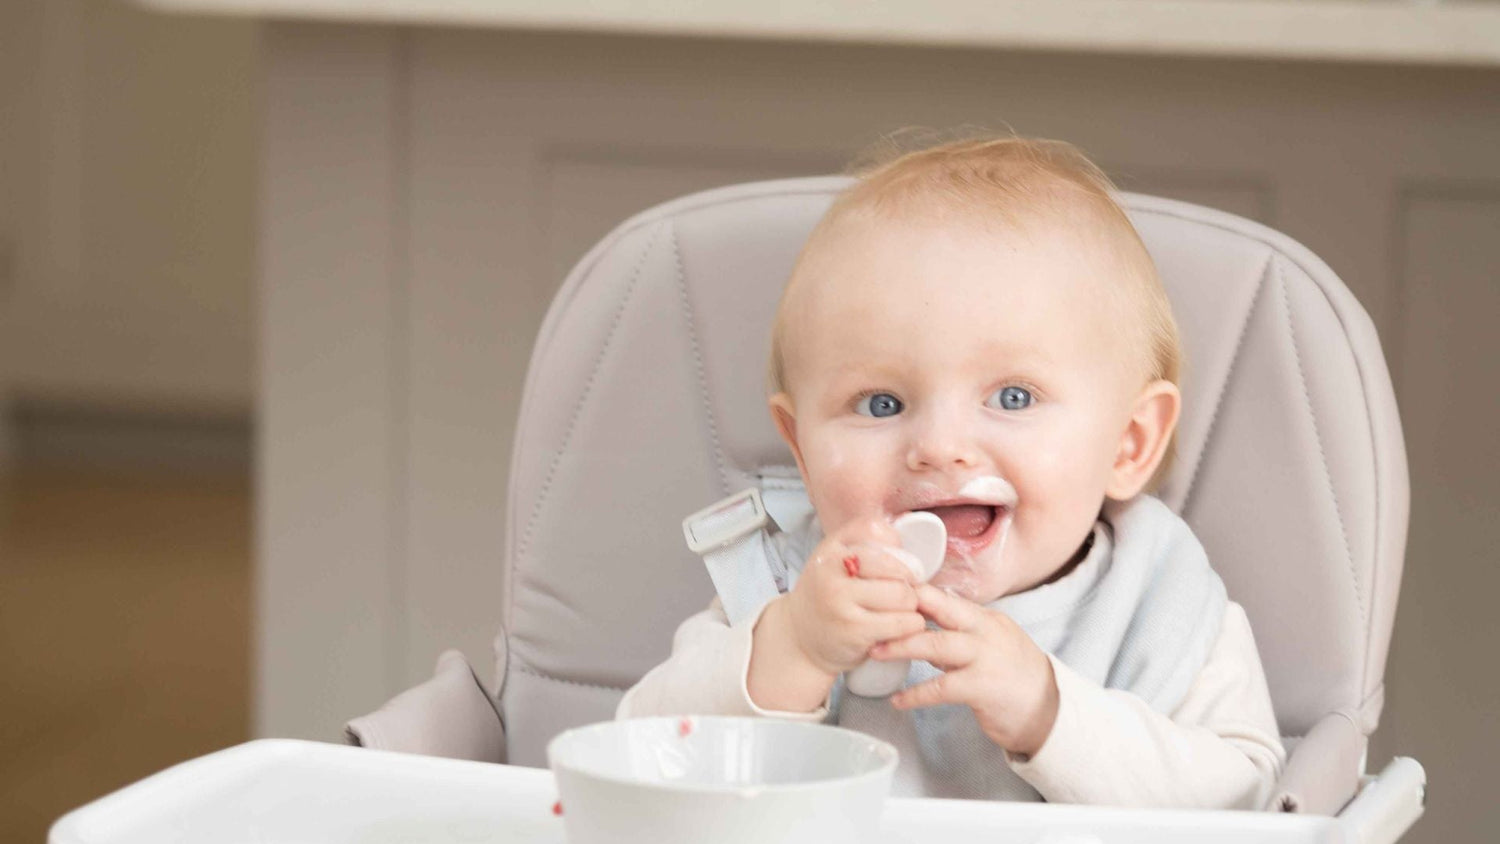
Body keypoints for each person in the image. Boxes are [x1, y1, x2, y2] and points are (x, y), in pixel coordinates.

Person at [616, 135, 1286, 809]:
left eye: (1013, 397)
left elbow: (1244, 803)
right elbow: (637, 760)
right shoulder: (788, 582)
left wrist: (1047, 714)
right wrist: (794, 652)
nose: (939, 447)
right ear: (801, 447)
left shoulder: (1157, 602)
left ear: (1127, 444)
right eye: (882, 403)